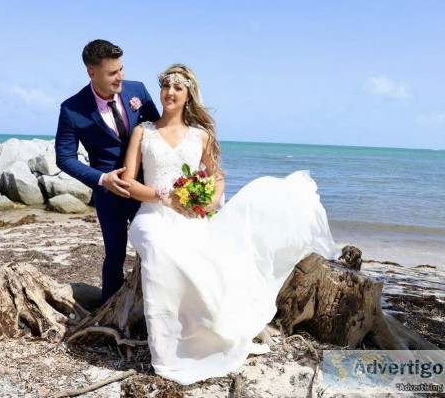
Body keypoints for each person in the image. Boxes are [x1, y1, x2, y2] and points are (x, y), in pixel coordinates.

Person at [120, 64, 341, 384]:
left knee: (209, 261)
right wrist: (164, 197)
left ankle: (209, 337)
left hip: (191, 219)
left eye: (178, 88)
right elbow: (128, 182)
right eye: (166, 86)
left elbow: (217, 178)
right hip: (152, 216)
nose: (170, 92)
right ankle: (167, 349)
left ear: (188, 95)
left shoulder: (201, 136)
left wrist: (206, 204)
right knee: (159, 249)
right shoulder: (143, 132)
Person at [55, 39, 160, 303]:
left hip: (147, 188)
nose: (120, 77)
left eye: (122, 69)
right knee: (115, 254)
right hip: (108, 194)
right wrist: (102, 179)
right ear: (92, 72)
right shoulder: (71, 108)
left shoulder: (138, 91)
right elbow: (64, 158)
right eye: (113, 73)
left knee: (155, 247)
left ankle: (153, 303)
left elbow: (159, 132)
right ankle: (109, 310)